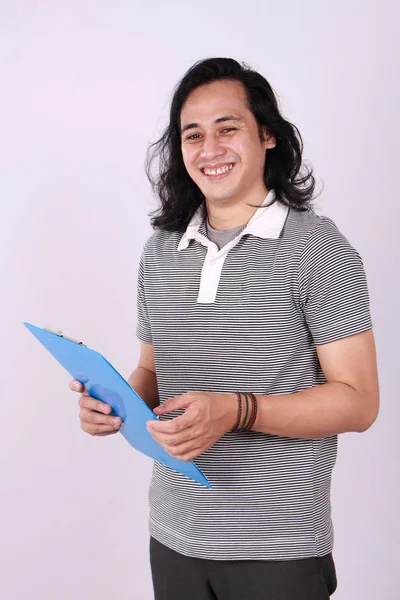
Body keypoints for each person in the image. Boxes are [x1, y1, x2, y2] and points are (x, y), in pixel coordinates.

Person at [70, 58, 380, 599]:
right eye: (193, 134)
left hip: (279, 545)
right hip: (173, 533)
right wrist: (113, 399)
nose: (209, 149)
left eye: (227, 128)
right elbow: (151, 369)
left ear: (268, 137)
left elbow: (358, 403)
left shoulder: (315, 248)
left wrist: (236, 409)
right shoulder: (159, 251)